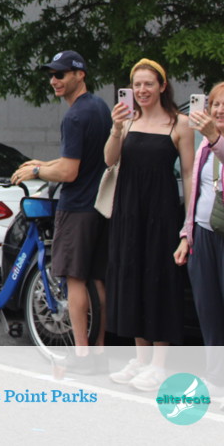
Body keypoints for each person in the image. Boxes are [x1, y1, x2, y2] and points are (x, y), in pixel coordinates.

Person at [11, 50, 111, 373]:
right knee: (97, 280)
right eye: (52, 75)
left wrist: (37, 172)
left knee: (75, 279)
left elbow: (69, 171)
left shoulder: (74, 116)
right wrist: (44, 163)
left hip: (77, 207)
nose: (54, 80)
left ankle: (82, 355)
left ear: (80, 74)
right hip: (100, 206)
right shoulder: (99, 107)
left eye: (61, 74)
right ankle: (99, 352)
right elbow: (83, 159)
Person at [104, 59, 193, 390]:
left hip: (163, 212)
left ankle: (159, 364)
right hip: (128, 212)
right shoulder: (127, 121)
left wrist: (188, 225)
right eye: (137, 84)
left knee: (159, 280)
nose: (142, 90)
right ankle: (141, 360)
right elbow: (109, 160)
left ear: (162, 86)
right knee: (131, 279)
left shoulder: (180, 123)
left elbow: (188, 174)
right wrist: (115, 129)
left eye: (148, 84)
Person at [176, 81, 224, 400]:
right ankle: (216, 378)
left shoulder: (213, 141)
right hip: (204, 235)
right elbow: (195, 192)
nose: (219, 110)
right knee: (208, 311)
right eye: (215, 104)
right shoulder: (205, 144)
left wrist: (216, 139)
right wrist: (186, 234)